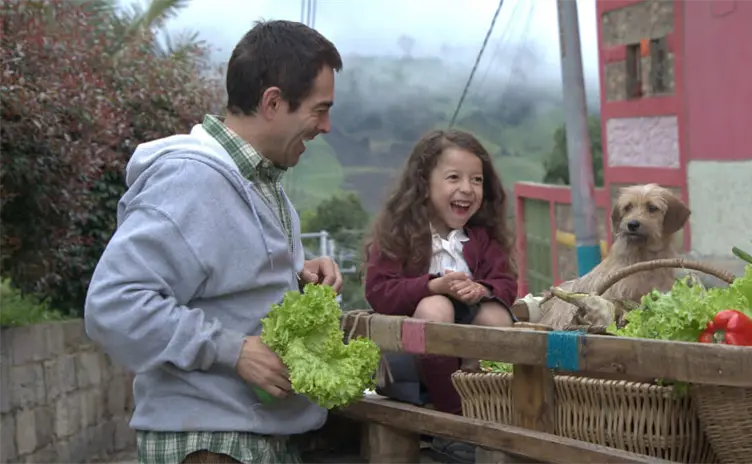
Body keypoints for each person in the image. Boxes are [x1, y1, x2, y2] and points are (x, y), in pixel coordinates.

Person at [84, 20, 344, 464]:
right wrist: (234, 349)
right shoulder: (192, 180)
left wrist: (294, 277)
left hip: (242, 438)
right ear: (273, 102)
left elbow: (222, 283)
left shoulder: (260, 183)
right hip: (211, 445)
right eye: (320, 109)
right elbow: (114, 305)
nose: (326, 126)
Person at [363, 129, 518, 464]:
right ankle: (453, 424)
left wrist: (484, 289)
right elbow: (378, 291)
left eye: (476, 180)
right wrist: (431, 286)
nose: (467, 188)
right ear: (423, 183)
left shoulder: (482, 237)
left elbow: (507, 283)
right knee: (435, 308)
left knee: (496, 315)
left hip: (468, 348)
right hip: (412, 357)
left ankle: (487, 407)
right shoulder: (399, 234)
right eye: (453, 177)